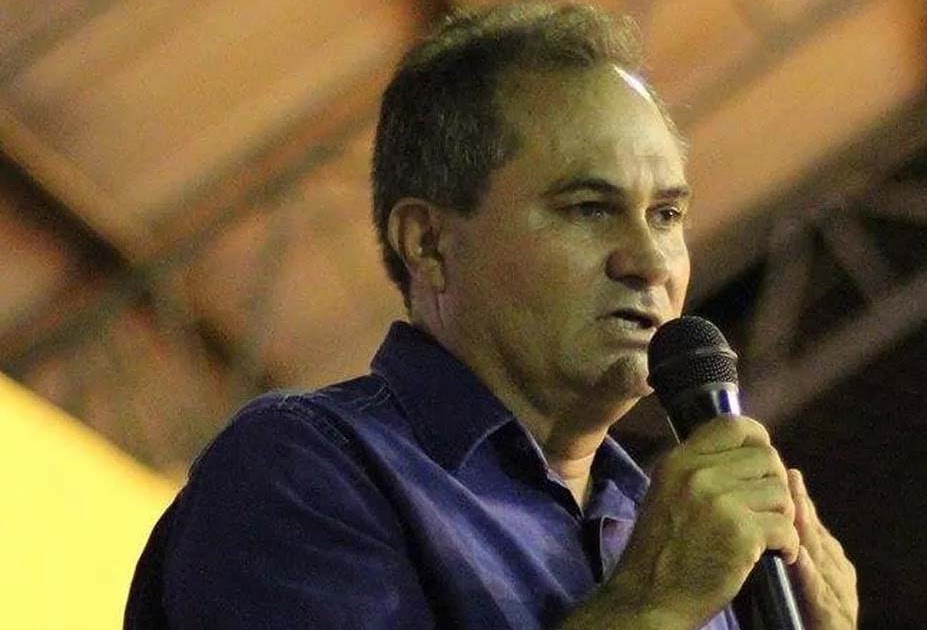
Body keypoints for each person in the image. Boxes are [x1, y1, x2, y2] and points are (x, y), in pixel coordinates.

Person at [125, 3, 857, 629]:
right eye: (589, 208)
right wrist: (650, 606)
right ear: (429, 242)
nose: (650, 261)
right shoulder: (304, 471)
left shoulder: (673, 534)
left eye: (666, 215)